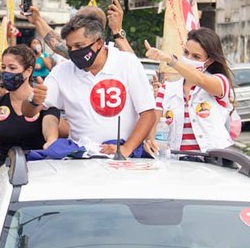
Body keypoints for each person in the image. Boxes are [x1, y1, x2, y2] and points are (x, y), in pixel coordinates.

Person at [23, 13, 156, 157]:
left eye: (79, 46)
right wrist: (34, 100)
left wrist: (125, 149)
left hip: (123, 159)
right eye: (69, 47)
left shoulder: (127, 63)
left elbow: (148, 114)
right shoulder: (62, 71)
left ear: (99, 43)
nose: (73, 52)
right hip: (80, 157)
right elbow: (29, 112)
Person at [143, 28, 234, 155]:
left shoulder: (220, 82)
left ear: (210, 60)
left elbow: (200, 80)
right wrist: (150, 141)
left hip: (212, 164)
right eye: (186, 53)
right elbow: (153, 127)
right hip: (178, 164)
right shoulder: (166, 89)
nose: (188, 59)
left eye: (196, 56)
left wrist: (171, 60)